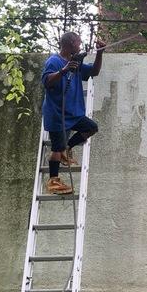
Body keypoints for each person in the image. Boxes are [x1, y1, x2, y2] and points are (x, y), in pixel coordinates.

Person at [42, 32, 106, 194]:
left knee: (91, 127)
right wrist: (64, 70)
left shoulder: (75, 63)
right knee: (56, 148)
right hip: (58, 114)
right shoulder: (54, 61)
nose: (80, 46)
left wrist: (100, 53)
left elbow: (94, 71)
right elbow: (47, 81)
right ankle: (53, 181)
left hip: (74, 113)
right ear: (70, 43)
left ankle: (68, 148)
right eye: (78, 43)